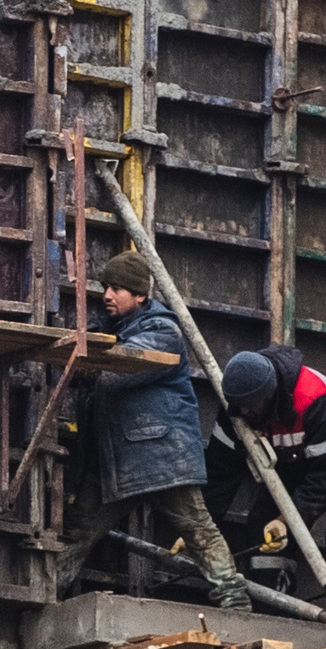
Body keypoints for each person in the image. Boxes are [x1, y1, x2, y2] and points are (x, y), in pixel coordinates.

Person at [55, 252, 252, 610]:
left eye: (117, 288)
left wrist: (87, 358)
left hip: (161, 456)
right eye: (105, 287)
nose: (108, 295)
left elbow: (118, 369)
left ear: (140, 295)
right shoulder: (116, 330)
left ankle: (234, 602)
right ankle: (49, 595)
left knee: (197, 529)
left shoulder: (162, 331)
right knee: (79, 531)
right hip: (116, 459)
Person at [206, 344, 326, 605]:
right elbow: (221, 472)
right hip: (304, 455)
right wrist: (201, 532)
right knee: (262, 519)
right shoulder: (237, 409)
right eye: (239, 408)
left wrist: (285, 521)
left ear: (270, 396)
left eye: (252, 408)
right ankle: (276, 608)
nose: (246, 415)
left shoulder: (314, 398)